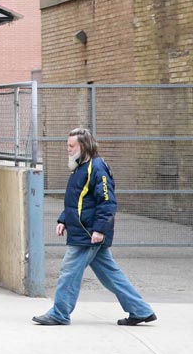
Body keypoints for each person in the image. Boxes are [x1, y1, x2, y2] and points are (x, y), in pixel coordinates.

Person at [33, 128, 156, 326]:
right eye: (68, 145)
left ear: (84, 146)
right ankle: (140, 310)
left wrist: (99, 229)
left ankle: (59, 313)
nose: (68, 149)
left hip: (88, 233)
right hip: (86, 232)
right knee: (110, 275)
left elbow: (107, 202)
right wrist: (64, 219)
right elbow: (77, 200)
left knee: (69, 272)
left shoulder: (97, 168)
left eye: (71, 146)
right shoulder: (81, 167)